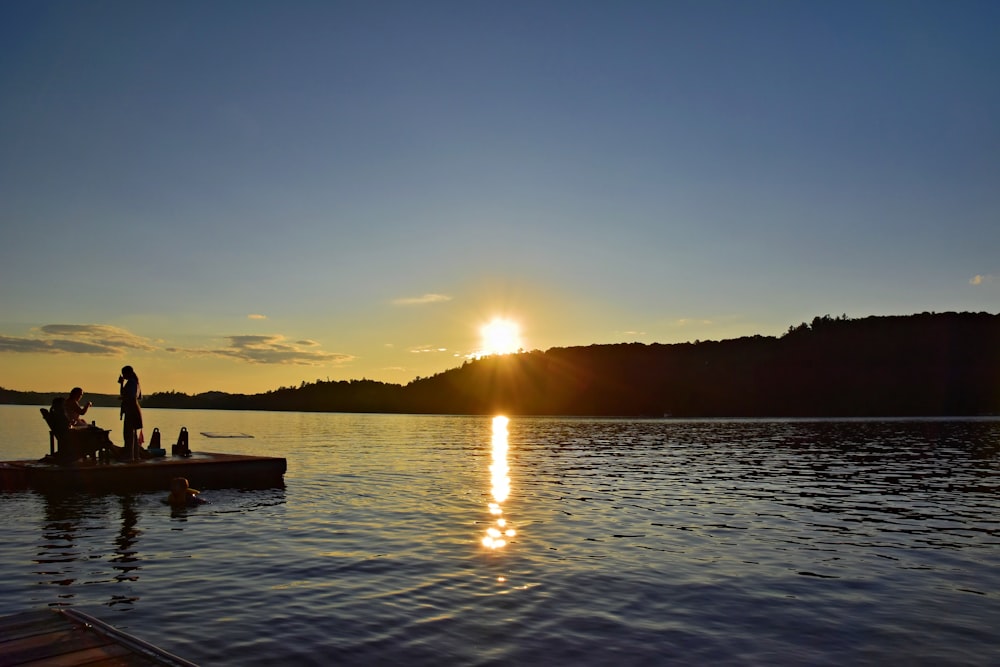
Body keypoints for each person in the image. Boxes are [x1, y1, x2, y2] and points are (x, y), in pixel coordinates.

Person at [118, 365, 143, 461]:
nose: (123, 376)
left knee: (128, 434)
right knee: (133, 434)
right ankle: (135, 456)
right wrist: (121, 384)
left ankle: (130, 456)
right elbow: (138, 397)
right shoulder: (135, 382)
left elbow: (131, 396)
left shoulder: (132, 383)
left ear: (128, 373)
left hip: (131, 410)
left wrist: (124, 398)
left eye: (124, 373)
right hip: (134, 410)